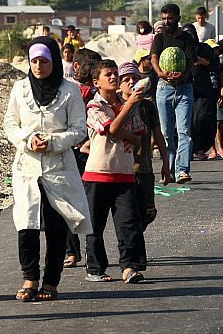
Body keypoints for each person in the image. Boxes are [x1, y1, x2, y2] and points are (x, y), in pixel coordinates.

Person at [3, 36, 92, 301]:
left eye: (44, 61)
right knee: (26, 223)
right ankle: (29, 278)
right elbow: (10, 124)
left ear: (53, 61)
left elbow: (79, 129)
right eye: (34, 61)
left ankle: (51, 281)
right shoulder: (20, 89)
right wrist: (28, 139)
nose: (39, 66)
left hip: (58, 166)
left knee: (57, 225)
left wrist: (52, 142)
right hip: (27, 166)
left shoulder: (70, 90)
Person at [83, 59, 147, 284]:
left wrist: (121, 130)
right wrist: (128, 110)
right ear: (96, 82)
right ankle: (95, 268)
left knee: (128, 224)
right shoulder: (94, 107)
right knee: (95, 225)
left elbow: (138, 139)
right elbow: (110, 129)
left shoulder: (127, 104)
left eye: (114, 74)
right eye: (107, 75)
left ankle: (129, 267)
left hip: (124, 173)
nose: (113, 77)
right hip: (98, 173)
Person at [117, 61, 170, 230]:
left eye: (135, 78)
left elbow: (158, 135)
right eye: (126, 79)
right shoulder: (115, 106)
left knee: (148, 212)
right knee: (129, 215)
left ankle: (135, 238)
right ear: (119, 84)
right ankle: (133, 244)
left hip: (144, 168)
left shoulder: (147, 106)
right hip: (123, 169)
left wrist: (166, 163)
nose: (131, 82)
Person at [62, 48, 102, 269]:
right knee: (69, 203)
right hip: (72, 151)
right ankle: (72, 251)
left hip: (94, 152)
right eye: (89, 68)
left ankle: (91, 253)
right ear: (77, 67)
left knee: (92, 205)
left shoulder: (99, 93)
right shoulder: (68, 89)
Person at [150, 3, 197, 184]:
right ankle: (168, 170)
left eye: (170, 18)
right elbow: (154, 58)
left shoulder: (187, 39)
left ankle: (182, 170)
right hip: (164, 89)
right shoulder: (159, 38)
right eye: (164, 18)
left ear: (178, 18)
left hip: (184, 89)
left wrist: (183, 75)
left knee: (184, 131)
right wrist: (161, 73)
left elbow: (191, 62)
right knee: (166, 133)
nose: (166, 21)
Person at [182, 23, 219, 160]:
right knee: (187, 121)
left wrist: (205, 62)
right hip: (185, 89)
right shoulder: (180, 50)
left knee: (202, 119)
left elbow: (217, 66)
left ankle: (201, 147)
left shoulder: (204, 48)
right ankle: (190, 149)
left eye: (191, 34)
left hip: (203, 90)